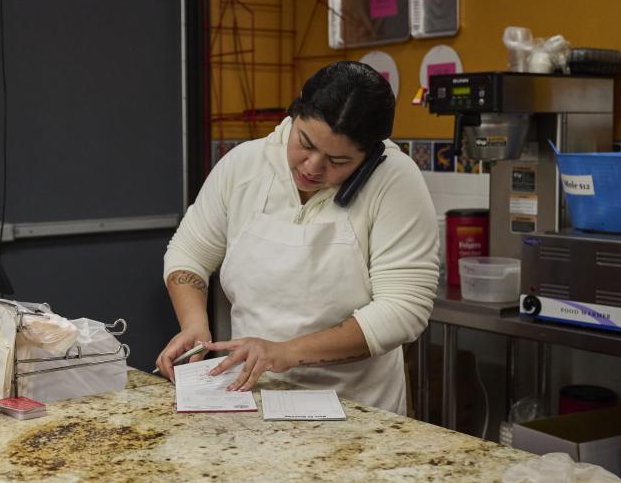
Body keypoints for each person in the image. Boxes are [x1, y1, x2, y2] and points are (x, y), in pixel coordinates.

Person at [155, 61, 438, 414]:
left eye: (338, 161)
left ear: (370, 155)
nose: (312, 167)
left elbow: (403, 310)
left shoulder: (394, 182)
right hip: (251, 398)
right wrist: (195, 327)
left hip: (359, 412)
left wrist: (284, 352)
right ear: (294, 115)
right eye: (305, 143)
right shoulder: (245, 165)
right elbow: (189, 254)